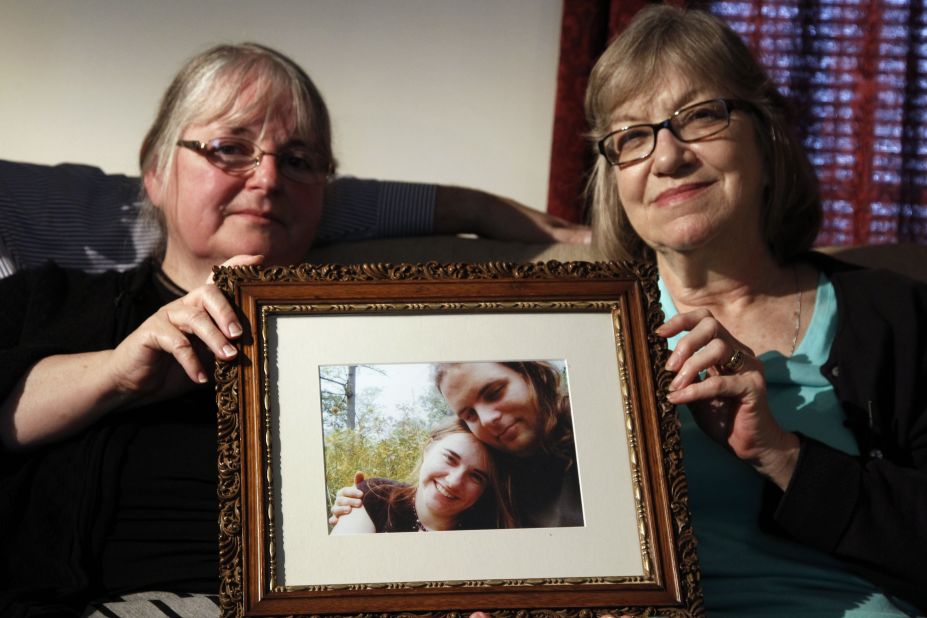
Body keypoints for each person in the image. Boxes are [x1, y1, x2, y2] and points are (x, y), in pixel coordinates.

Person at [0, 42, 588, 615]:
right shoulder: (50, 299)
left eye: (300, 161)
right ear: (155, 170)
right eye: (231, 148)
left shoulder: (380, 325)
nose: (267, 179)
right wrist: (118, 372)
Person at [584, 5, 926, 615]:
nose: (667, 158)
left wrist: (782, 453)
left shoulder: (896, 314)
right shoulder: (577, 331)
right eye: (632, 136)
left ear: (766, 134)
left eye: (700, 116)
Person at [333, 361, 582, 528]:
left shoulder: (598, 425)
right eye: (470, 415)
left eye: (495, 392)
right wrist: (358, 503)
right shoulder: (495, 483)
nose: (487, 419)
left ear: (530, 373)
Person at [331, 417, 515, 534]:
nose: (453, 481)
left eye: (476, 477)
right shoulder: (375, 495)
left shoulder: (490, 532)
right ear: (428, 449)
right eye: (450, 458)